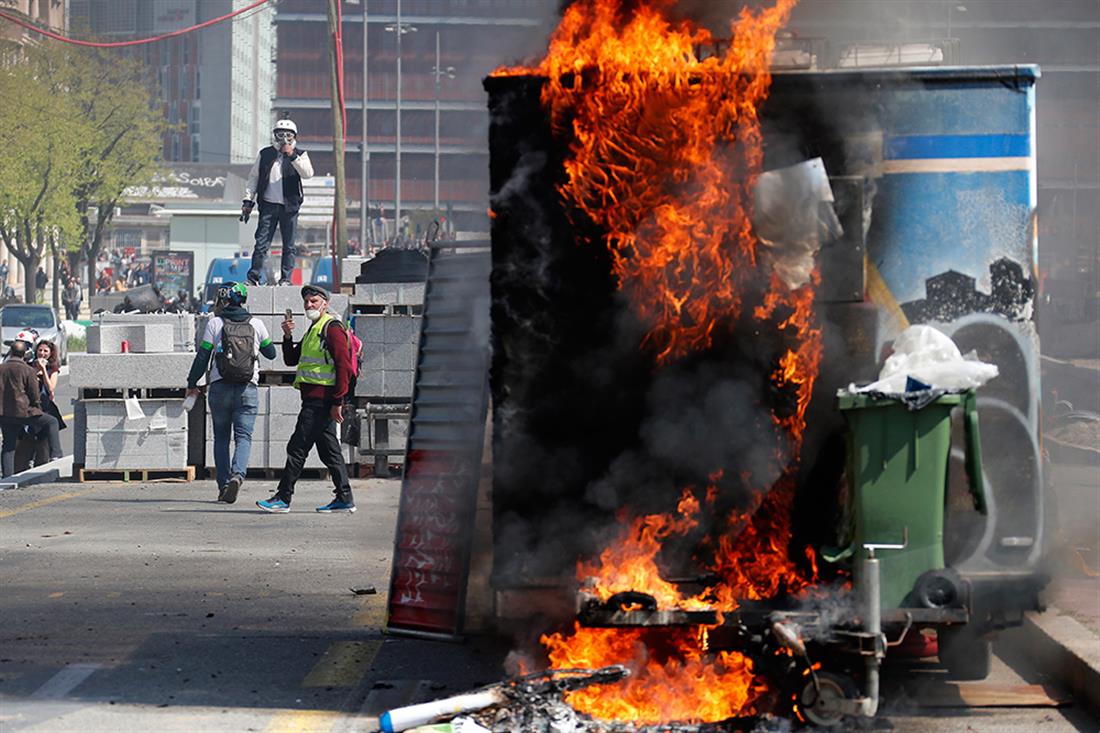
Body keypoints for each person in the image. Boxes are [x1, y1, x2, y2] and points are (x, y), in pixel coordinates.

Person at [257, 284, 354, 514]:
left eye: (314, 301)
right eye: (307, 302)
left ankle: (283, 497)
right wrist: (287, 335)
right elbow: (291, 359)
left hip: (321, 401)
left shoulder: (332, 328)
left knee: (297, 447)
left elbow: (344, 366)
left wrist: (338, 401)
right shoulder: (314, 329)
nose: (309, 305)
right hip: (314, 399)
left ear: (325, 303)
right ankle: (345, 497)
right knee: (329, 452)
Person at [186, 282, 276, 504]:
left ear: (223, 300)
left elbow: (202, 357)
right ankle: (238, 474)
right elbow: (271, 353)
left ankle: (223, 485)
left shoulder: (215, 324)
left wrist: (191, 382)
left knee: (221, 438)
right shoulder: (257, 324)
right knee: (243, 437)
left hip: (220, 387)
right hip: (248, 388)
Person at [242, 118, 313, 286]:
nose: (284, 139)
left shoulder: (300, 154)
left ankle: (286, 278)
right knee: (261, 243)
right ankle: (253, 277)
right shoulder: (265, 154)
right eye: (280, 134)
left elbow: (308, 173)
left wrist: (292, 155)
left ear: (294, 137)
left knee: (289, 245)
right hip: (268, 205)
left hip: (290, 207)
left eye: (288, 135)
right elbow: (253, 178)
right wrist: (247, 201)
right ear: (274, 135)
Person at [0, 331, 62, 477]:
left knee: (8, 446)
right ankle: (56, 454)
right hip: (24, 412)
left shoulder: (1, 368)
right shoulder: (28, 370)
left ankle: (7, 477)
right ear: (26, 353)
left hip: (4, 413)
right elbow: (34, 395)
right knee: (52, 421)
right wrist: (35, 407)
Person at [31, 340, 65, 434]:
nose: (42, 353)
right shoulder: (30, 366)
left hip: (45, 405)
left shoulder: (53, 369)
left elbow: (50, 388)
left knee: (44, 438)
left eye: (45, 351)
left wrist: (43, 370)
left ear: (50, 353)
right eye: (40, 350)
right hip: (30, 405)